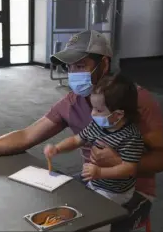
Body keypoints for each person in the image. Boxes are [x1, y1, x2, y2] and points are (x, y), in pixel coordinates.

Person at [0, 30, 163, 231]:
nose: (73, 74)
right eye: (69, 67)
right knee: (43, 214)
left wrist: (120, 163)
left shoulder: (137, 100)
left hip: (131, 190)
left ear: (104, 65)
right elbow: (27, 136)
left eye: (80, 66)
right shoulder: (73, 102)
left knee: (86, 226)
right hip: (93, 180)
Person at [44, 73, 145, 206]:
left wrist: (100, 172)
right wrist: (57, 148)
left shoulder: (130, 137)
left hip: (115, 192)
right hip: (94, 181)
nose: (92, 114)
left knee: (89, 209)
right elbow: (76, 140)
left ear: (118, 114)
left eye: (98, 110)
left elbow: (129, 169)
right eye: (93, 108)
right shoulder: (96, 125)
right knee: (65, 194)